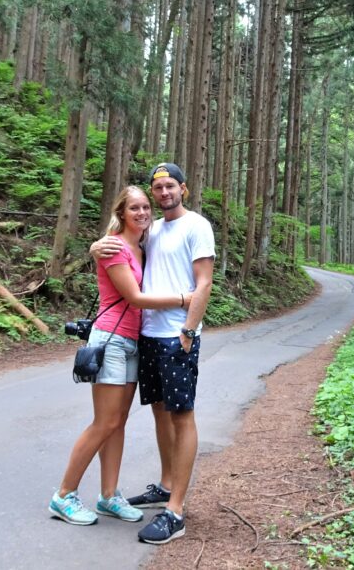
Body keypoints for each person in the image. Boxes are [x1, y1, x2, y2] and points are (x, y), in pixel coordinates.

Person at [49, 186, 194, 527]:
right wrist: (185, 300)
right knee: (105, 422)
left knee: (118, 423)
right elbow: (134, 297)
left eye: (146, 207)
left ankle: (109, 495)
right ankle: (64, 495)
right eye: (134, 208)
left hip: (133, 342)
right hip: (112, 339)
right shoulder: (114, 245)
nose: (143, 212)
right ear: (122, 212)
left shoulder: (142, 244)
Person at [92, 162, 214, 545]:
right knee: (161, 413)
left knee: (182, 416)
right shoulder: (152, 230)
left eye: (170, 186)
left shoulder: (197, 226)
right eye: (157, 188)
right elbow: (119, 246)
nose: (163, 194)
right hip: (147, 336)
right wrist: (95, 245)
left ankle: (175, 511)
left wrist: (188, 332)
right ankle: (165, 485)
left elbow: (203, 282)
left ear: (184, 188)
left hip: (177, 337)